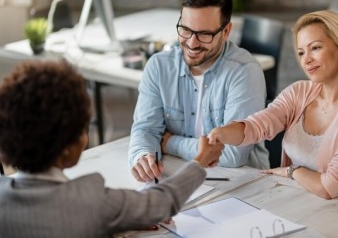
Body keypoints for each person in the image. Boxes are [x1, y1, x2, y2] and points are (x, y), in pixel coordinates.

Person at [0, 60, 224, 238]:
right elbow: (161, 203)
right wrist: (201, 160)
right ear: (67, 148)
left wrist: (105, 224)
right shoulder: (91, 202)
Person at [208, 10, 338, 200]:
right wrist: (220, 134)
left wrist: (292, 171)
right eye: (301, 52)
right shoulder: (299, 92)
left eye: (315, 48)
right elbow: (256, 126)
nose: (306, 60)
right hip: (296, 200)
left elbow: (329, 187)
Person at [129, 0, 269, 183]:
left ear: (226, 31)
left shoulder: (244, 71)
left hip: (241, 183)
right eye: (185, 30)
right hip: (178, 175)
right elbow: (146, 129)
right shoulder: (159, 67)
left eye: (204, 34)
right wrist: (142, 155)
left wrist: (171, 143)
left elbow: (232, 155)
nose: (192, 43)